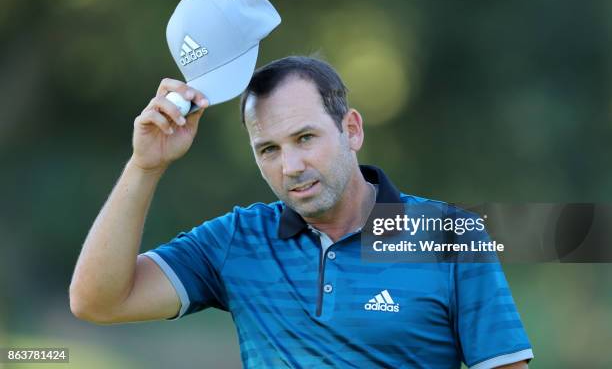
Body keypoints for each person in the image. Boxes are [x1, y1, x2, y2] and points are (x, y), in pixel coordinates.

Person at [70, 56, 533, 368]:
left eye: (305, 138)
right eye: (268, 149)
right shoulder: (236, 241)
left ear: (351, 130)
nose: (290, 166)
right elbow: (96, 301)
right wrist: (145, 166)